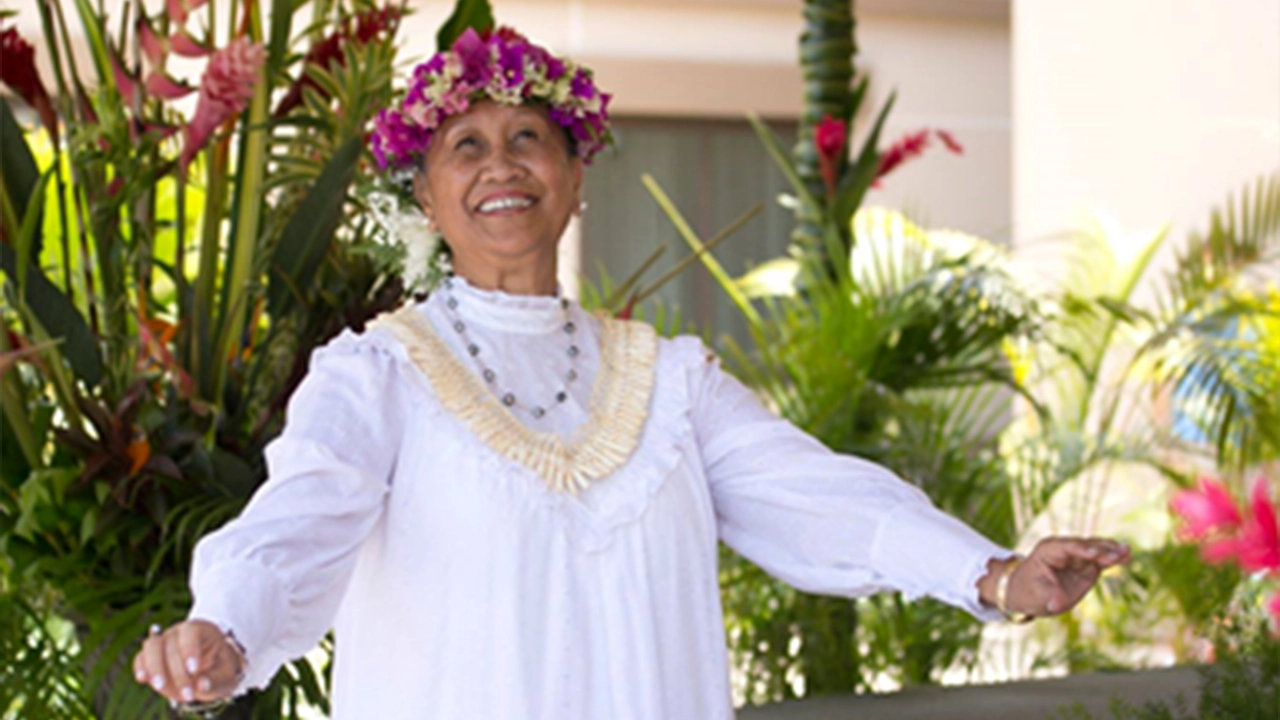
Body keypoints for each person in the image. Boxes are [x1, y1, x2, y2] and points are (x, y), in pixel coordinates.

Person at [133, 26, 1130, 719]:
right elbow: (297, 524)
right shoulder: (376, 377)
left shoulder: (668, 381)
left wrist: (987, 575)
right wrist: (224, 630)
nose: (501, 165)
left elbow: (812, 495)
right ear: (426, 200)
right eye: (465, 147)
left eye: (530, 139)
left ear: (573, 178)